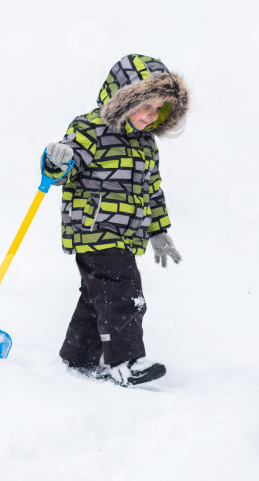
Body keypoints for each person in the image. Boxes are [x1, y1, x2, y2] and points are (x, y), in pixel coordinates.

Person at [42, 53, 190, 386]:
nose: (151, 115)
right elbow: (67, 162)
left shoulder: (147, 145)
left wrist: (159, 232)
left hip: (125, 235)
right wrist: (57, 161)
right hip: (94, 229)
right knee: (124, 293)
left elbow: (152, 190)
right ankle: (127, 362)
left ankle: (77, 357)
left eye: (159, 109)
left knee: (97, 296)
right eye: (145, 105)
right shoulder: (90, 127)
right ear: (123, 97)